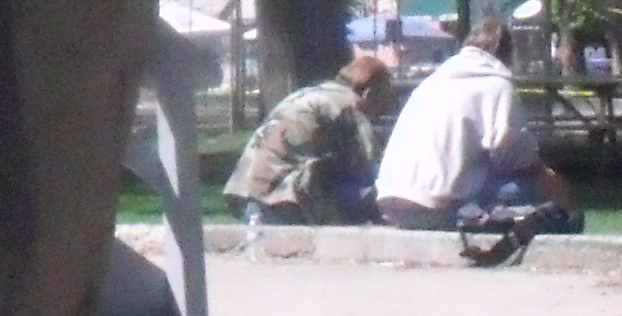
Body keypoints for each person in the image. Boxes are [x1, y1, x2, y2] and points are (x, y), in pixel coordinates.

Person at [372, 14, 578, 229]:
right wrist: (560, 190)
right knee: (529, 190)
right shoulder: (495, 85)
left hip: (390, 203)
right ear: (506, 54)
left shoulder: (430, 83)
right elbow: (519, 159)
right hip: (438, 207)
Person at [224, 52, 396, 225]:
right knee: (363, 189)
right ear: (369, 92)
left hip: (245, 187)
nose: (384, 107)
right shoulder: (350, 105)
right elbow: (372, 166)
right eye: (384, 97)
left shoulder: (310, 94)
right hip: (281, 195)